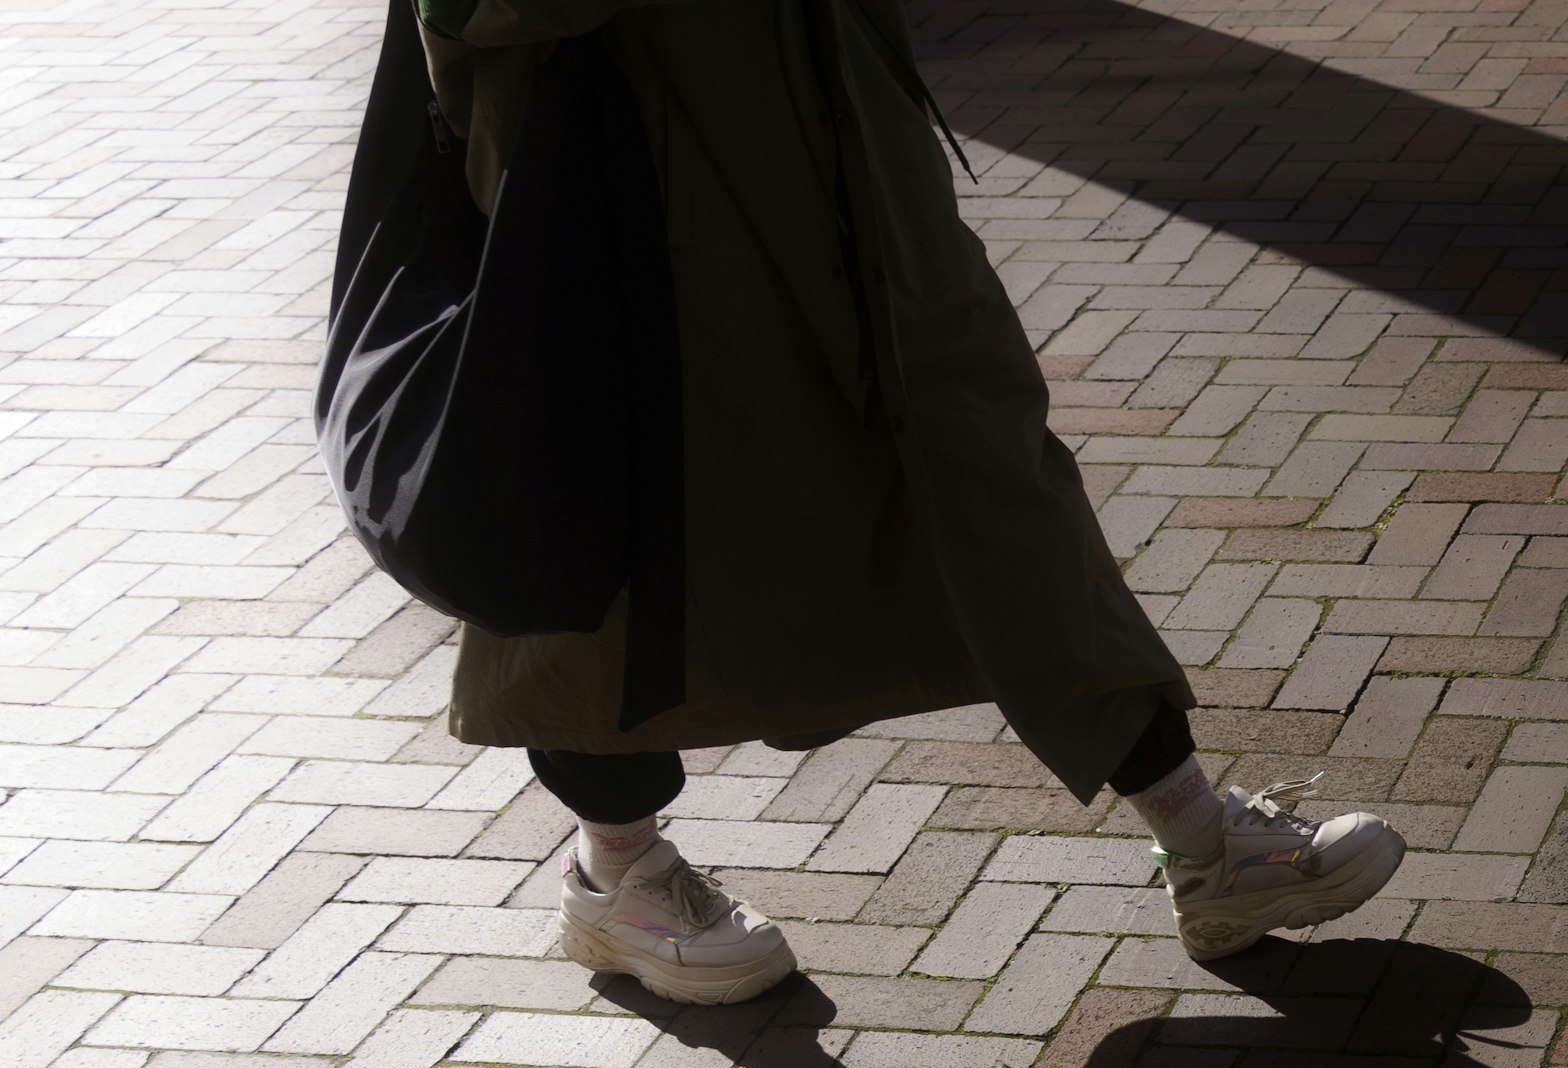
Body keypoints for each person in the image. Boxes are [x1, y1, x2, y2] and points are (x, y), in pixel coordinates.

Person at [410, 0, 1402, 1002]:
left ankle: (1201, 839)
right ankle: (618, 868)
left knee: (991, 471)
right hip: (633, 183)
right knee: (611, 528)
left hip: (848, 143)